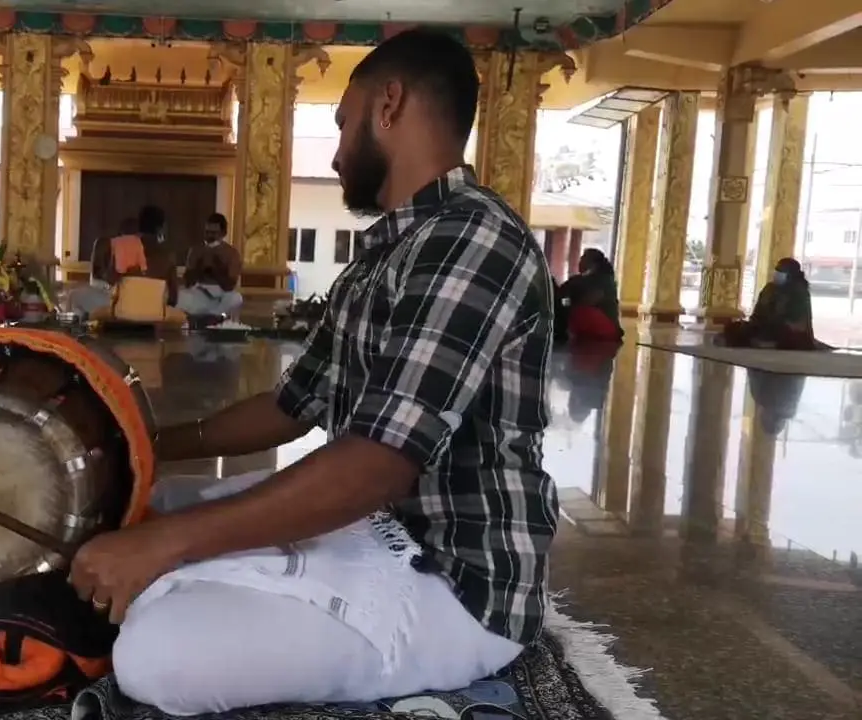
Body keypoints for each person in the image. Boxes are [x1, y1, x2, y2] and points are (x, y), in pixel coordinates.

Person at [66, 28, 555, 715]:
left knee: (156, 654)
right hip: (368, 526)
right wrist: (150, 445)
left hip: (454, 577)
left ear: (389, 104)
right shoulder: (392, 251)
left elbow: (379, 465)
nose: (335, 149)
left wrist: (168, 546)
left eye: (343, 121)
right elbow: (294, 405)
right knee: (143, 510)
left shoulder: (472, 240)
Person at [722, 257, 818, 351]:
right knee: (733, 328)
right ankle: (760, 342)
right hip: (764, 326)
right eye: (777, 270)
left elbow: (796, 321)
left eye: (781, 271)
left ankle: (767, 343)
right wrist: (752, 323)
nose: (777, 273)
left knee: (791, 338)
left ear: (791, 275)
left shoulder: (799, 292)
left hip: (787, 329)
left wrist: (775, 318)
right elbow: (757, 313)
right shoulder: (769, 288)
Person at [176, 213, 244, 318]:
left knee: (236, 298)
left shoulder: (232, 253)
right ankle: (209, 314)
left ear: (223, 233)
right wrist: (199, 266)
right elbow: (188, 282)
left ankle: (213, 315)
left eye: (214, 233)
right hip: (199, 292)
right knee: (180, 297)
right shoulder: (196, 250)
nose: (209, 237)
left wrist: (217, 268)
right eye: (207, 232)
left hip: (221, 295)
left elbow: (229, 285)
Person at [556, 248, 623, 343]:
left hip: (604, 327)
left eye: (583, 258)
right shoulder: (580, 280)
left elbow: (591, 299)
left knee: (577, 311)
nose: (580, 262)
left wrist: (568, 306)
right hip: (597, 328)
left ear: (593, 263)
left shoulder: (603, 280)